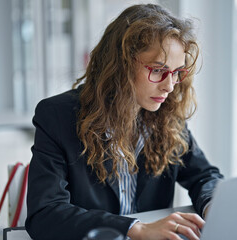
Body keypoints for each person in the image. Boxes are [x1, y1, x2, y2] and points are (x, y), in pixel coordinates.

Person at [25, 3, 223, 240]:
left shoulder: (166, 115)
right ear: (121, 65)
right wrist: (135, 229)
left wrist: (214, 207)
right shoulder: (57, 116)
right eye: (158, 70)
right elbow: (46, 213)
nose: (169, 86)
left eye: (177, 72)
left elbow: (205, 176)